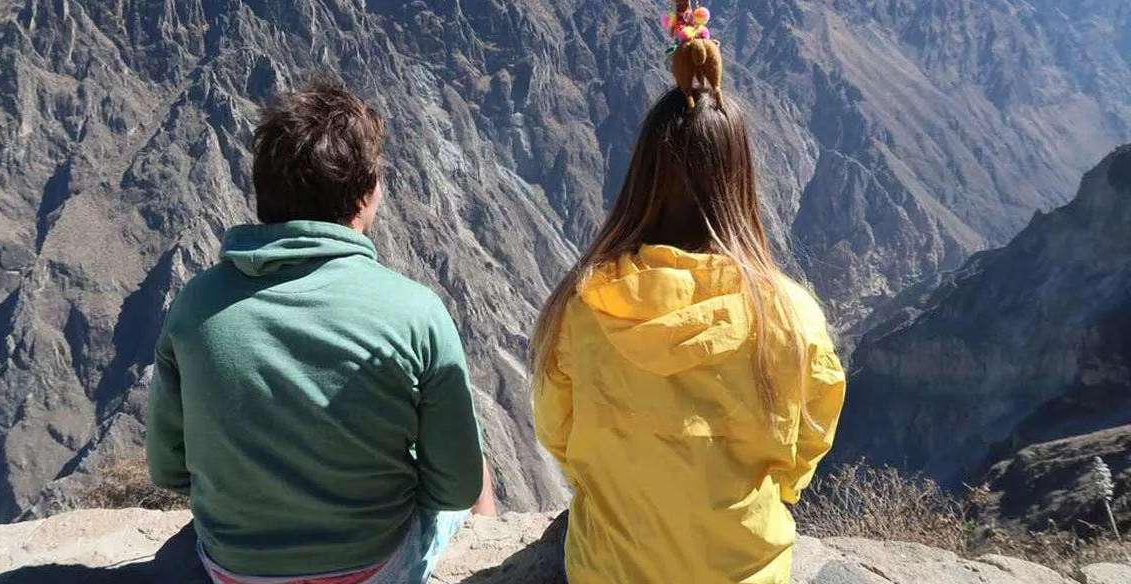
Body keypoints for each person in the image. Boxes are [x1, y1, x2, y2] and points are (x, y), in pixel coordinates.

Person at [146, 73, 497, 584]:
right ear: (365, 197)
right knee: (477, 462)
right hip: (375, 569)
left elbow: (169, 470)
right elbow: (455, 487)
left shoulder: (195, 306)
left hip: (236, 572)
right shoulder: (417, 311)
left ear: (262, 194)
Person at [530, 87, 848, 584]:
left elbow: (558, 433)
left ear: (642, 176)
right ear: (740, 179)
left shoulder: (583, 308)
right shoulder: (789, 318)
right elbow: (805, 447)